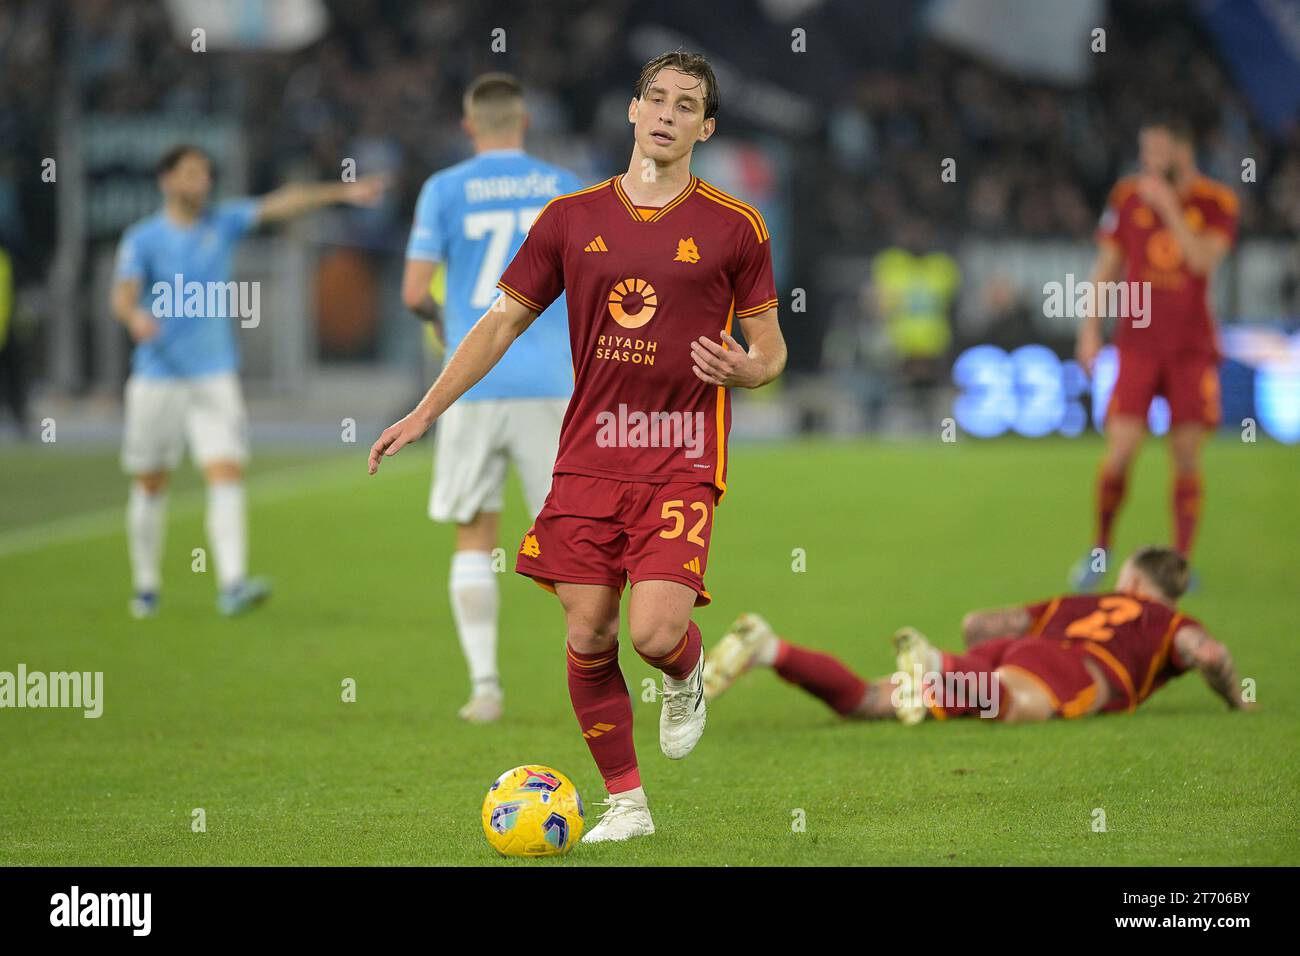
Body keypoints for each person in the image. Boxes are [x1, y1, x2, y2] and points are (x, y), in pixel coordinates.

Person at [370, 51, 786, 843]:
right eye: (655, 98)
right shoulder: (570, 218)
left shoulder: (738, 227)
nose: (667, 113)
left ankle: (687, 670)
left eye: (686, 104)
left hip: (680, 452)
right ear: (632, 111)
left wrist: (749, 370)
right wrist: (427, 411)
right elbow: (498, 323)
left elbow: (770, 349)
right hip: (590, 454)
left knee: (654, 633)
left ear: (707, 126)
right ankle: (626, 805)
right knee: (588, 633)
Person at [112, 144, 386, 618]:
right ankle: (146, 585)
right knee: (151, 482)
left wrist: (341, 192)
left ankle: (232, 583)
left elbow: (286, 200)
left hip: (214, 375)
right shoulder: (143, 239)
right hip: (158, 377)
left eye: (205, 174)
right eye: (191, 174)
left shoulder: (223, 221)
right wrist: (134, 317)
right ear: (167, 181)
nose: (201, 183)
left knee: (226, 471)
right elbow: (122, 294)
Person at [401, 73, 582, 724]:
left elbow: (414, 290)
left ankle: (484, 688)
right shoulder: (566, 186)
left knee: (475, 534)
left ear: (469, 126)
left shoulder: (444, 189)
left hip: (473, 382)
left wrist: (442, 321)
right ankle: (595, 677)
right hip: (555, 384)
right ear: (525, 122)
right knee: (570, 541)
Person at [705, 546, 1252, 723]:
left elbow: (979, 625)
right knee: (1015, 705)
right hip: (1067, 670)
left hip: (1005, 653)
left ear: (1130, 578)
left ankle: (771, 649)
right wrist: (1235, 700)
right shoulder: (1171, 622)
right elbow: (1211, 653)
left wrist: (978, 661)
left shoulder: (1077, 601)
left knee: (870, 702)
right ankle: (938, 665)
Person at [1072, 117, 1238, 589]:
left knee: (1186, 456)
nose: (1149, 162)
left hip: (1191, 348)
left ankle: (1179, 566)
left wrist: (1169, 209)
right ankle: (1100, 552)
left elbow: (1203, 260)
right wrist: (1089, 330)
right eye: (1145, 152)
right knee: (1120, 451)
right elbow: (1105, 268)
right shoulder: (1126, 198)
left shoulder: (1216, 202)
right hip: (1138, 344)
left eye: (1158, 152)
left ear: (1183, 152)